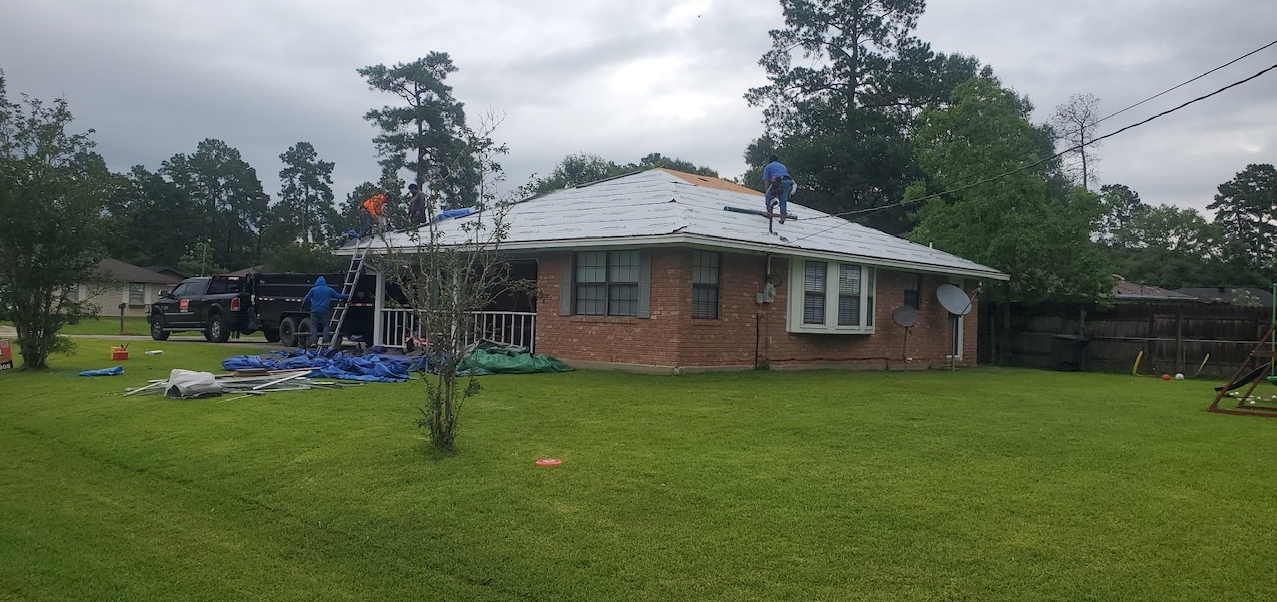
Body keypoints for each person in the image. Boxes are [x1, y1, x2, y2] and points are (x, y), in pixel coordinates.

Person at [301, 276, 349, 348]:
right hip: (325, 311)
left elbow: (306, 298)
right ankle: (325, 340)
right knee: (326, 326)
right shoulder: (329, 290)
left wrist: (302, 306)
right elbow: (339, 296)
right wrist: (348, 295)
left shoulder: (313, 290)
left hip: (314, 311)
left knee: (314, 326)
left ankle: (314, 341)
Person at [762, 155, 795, 224]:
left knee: (769, 197)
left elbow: (766, 180)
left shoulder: (768, 167)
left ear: (770, 160)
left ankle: (769, 214)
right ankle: (783, 217)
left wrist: (767, 191)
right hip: (788, 181)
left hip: (778, 181)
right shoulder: (782, 166)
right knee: (783, 200)